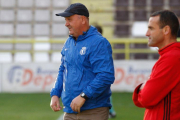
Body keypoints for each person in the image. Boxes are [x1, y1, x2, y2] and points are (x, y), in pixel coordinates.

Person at [50, 3, 115, 120]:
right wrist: (55, 94)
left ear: (83, 20)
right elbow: (63, 70)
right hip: (70, 111)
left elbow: (106, 76)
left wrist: (83, 96)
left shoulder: (99, 43)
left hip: (93, 111)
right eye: (65, 20)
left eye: (69, 19)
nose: (66, 24)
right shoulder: (68, 43)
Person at [132, 10, 180, 120]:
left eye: (151, 28)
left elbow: (145, 99)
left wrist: (144, 86)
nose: (146, 33)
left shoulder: (172, 58)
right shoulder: (169, 55)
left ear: (166, 30)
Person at [95, 25, 116, 119]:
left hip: (101, 72)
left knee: (105, 91)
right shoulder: (90, 43)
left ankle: (110, 110)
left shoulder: (103, 43)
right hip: (94, 72)